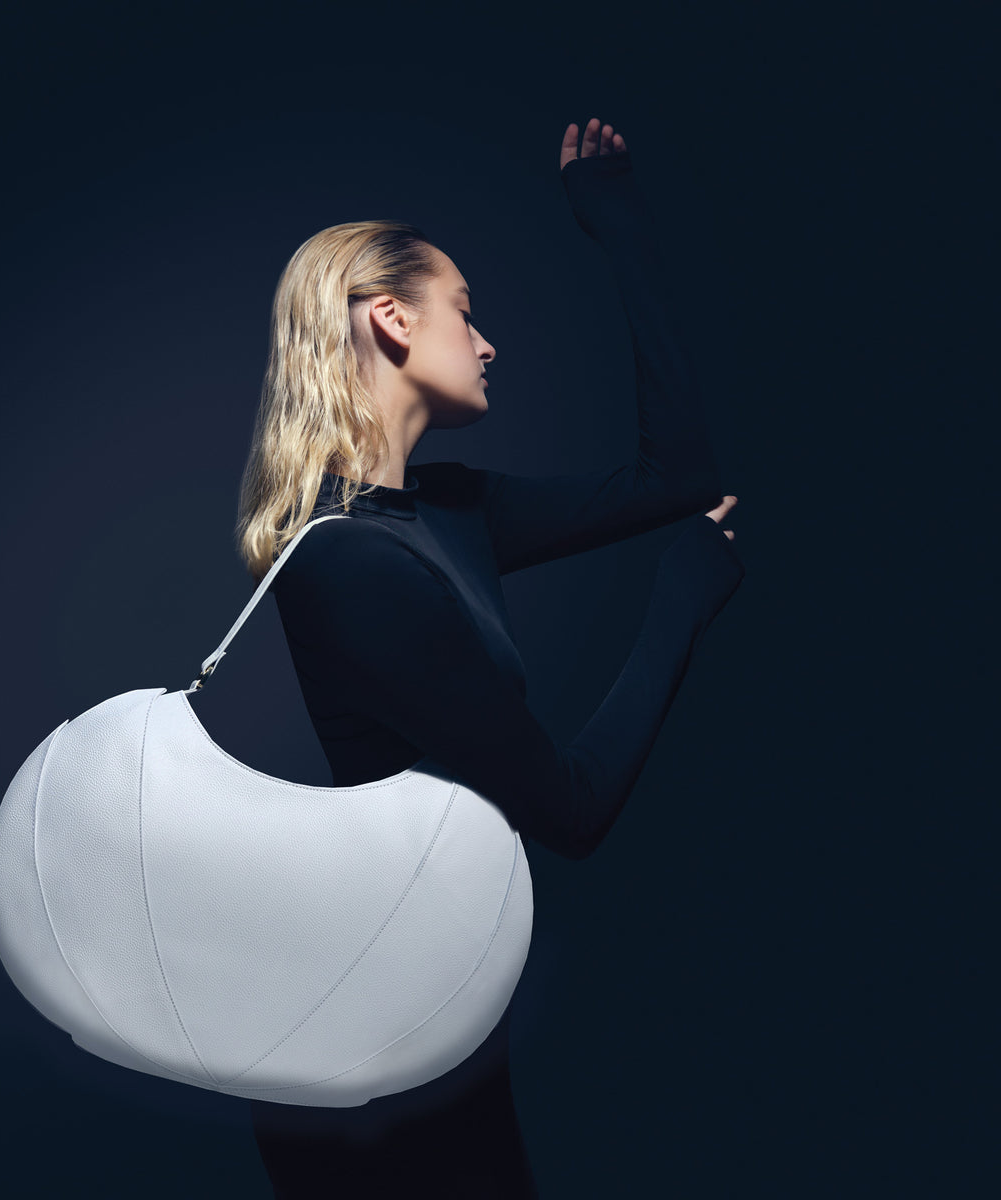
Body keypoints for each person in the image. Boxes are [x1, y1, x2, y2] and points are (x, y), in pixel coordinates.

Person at [224, 117, 745, 1199]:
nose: (489, 339)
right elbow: (570, 807)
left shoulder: (447, 515)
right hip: (367, 1044)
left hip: (439, 1010)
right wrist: (681, 600)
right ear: (392, 320)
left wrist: (616, 224)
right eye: (466, 311)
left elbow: (676, 474)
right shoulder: (346, 568)